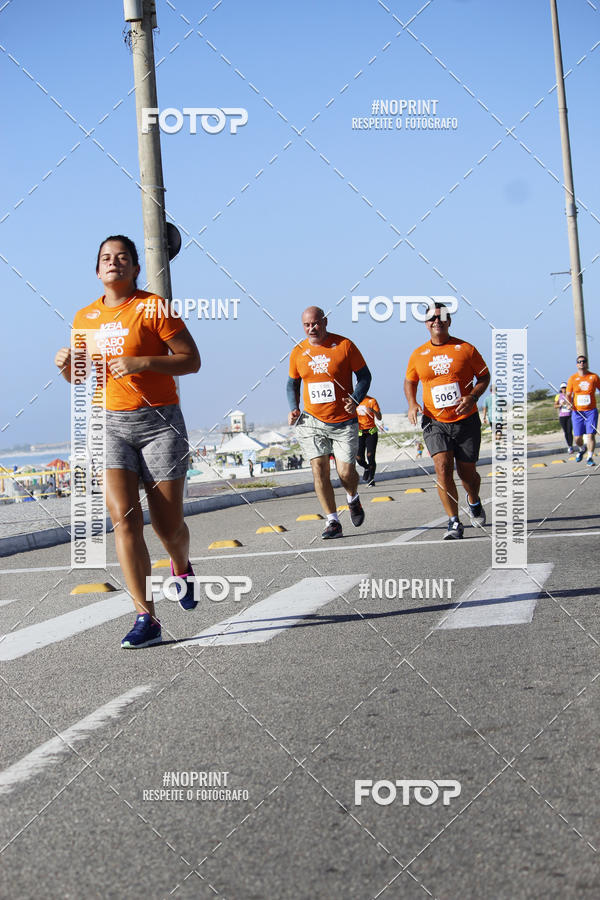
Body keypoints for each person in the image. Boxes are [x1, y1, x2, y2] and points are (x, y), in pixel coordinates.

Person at [54, 235, 201, 648]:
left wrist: (143, 361)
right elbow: (81, 377)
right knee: (124, 519)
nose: (113, 262)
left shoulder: (152, 307)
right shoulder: (84, 318)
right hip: (107, 424)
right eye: (105, 258)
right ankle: (146, 617)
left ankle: (181, 563)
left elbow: (191, 360)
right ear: (97, 270)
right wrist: (67, 365)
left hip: (159, 423)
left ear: (135, 268)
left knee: (169, 526)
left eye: (122, 257)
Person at [404, 302, 490, 540]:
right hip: (435, 421)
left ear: (449, 321)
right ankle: (454, 522)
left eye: (441, 318)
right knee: (442, 469)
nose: (437, 322)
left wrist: (473, 397)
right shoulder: (418, 354)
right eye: (432, 318)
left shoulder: (465, 349)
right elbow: (410, 381)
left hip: (465, 419)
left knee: (467, 474)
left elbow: (484, 376)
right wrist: (412, 403)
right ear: (426, 323)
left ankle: (473, 499)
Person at [287, 306, 371, 538]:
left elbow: (364, 376)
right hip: (312, 421)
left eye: (315, 323)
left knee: (345, 472)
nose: (311, 328)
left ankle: (352, 498)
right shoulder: (298, 351)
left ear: (324, 322)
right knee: (319, 471)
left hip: (344, 421)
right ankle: (332, 521)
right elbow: (292, 384)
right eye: (307, 325)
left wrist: (355, 399)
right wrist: (293, 408)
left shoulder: (344, 345)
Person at [567, 355, 600, 465]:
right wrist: (569, 403)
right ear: (577, 364)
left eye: (584, 361)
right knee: (577, 438)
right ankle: (582, 449)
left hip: (591, 411)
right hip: (577, 412)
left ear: (587, 363)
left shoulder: (594, 377)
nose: (581, 363)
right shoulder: (572, 378)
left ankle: (589, 458)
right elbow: (568, 394)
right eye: (579, 362)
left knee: (590, 435)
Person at [355, 395, 382, 486]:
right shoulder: (354, 400)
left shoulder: (372, 400)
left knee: (370, 456)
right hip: (360, 433)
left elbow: (379, 417)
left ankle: (371, 478)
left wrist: (373, 411)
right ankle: (366, 468)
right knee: (358, 457)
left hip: (371, 432)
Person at [554, 382, 574, 453]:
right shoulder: (558, 396)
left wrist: (570, 405)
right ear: (561, 389)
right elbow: (555, 406)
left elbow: (574, 405)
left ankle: (571, 446)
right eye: (563, 388)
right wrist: (560, 405)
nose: (564, 389)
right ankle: (569, 445)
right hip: (562, 416)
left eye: (565, 387)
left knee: (569, 431)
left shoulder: (570, 395)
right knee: (566, 432)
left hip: (570, 416)